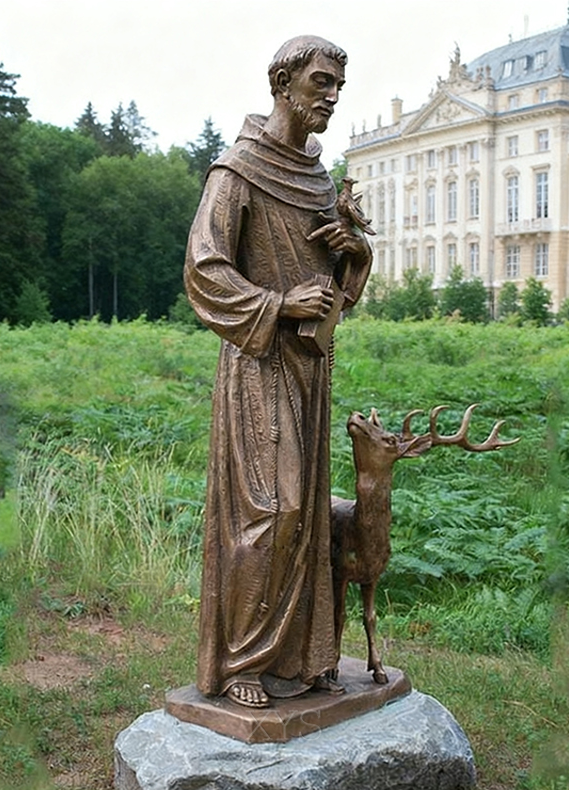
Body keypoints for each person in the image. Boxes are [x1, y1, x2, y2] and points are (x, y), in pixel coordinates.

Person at [184, 35, 372, 709]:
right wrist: (278, 302)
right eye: (320, 82)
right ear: (282, 82)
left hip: (308, 370)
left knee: (309, 515)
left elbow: (339, 286)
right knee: (274, 508)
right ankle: (242, 659)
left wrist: (353, 254)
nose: (330, 95)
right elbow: (204, 271)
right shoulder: (237, 171)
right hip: (259, 366)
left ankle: (301, 659)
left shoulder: (318, 179)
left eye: (338, 87)